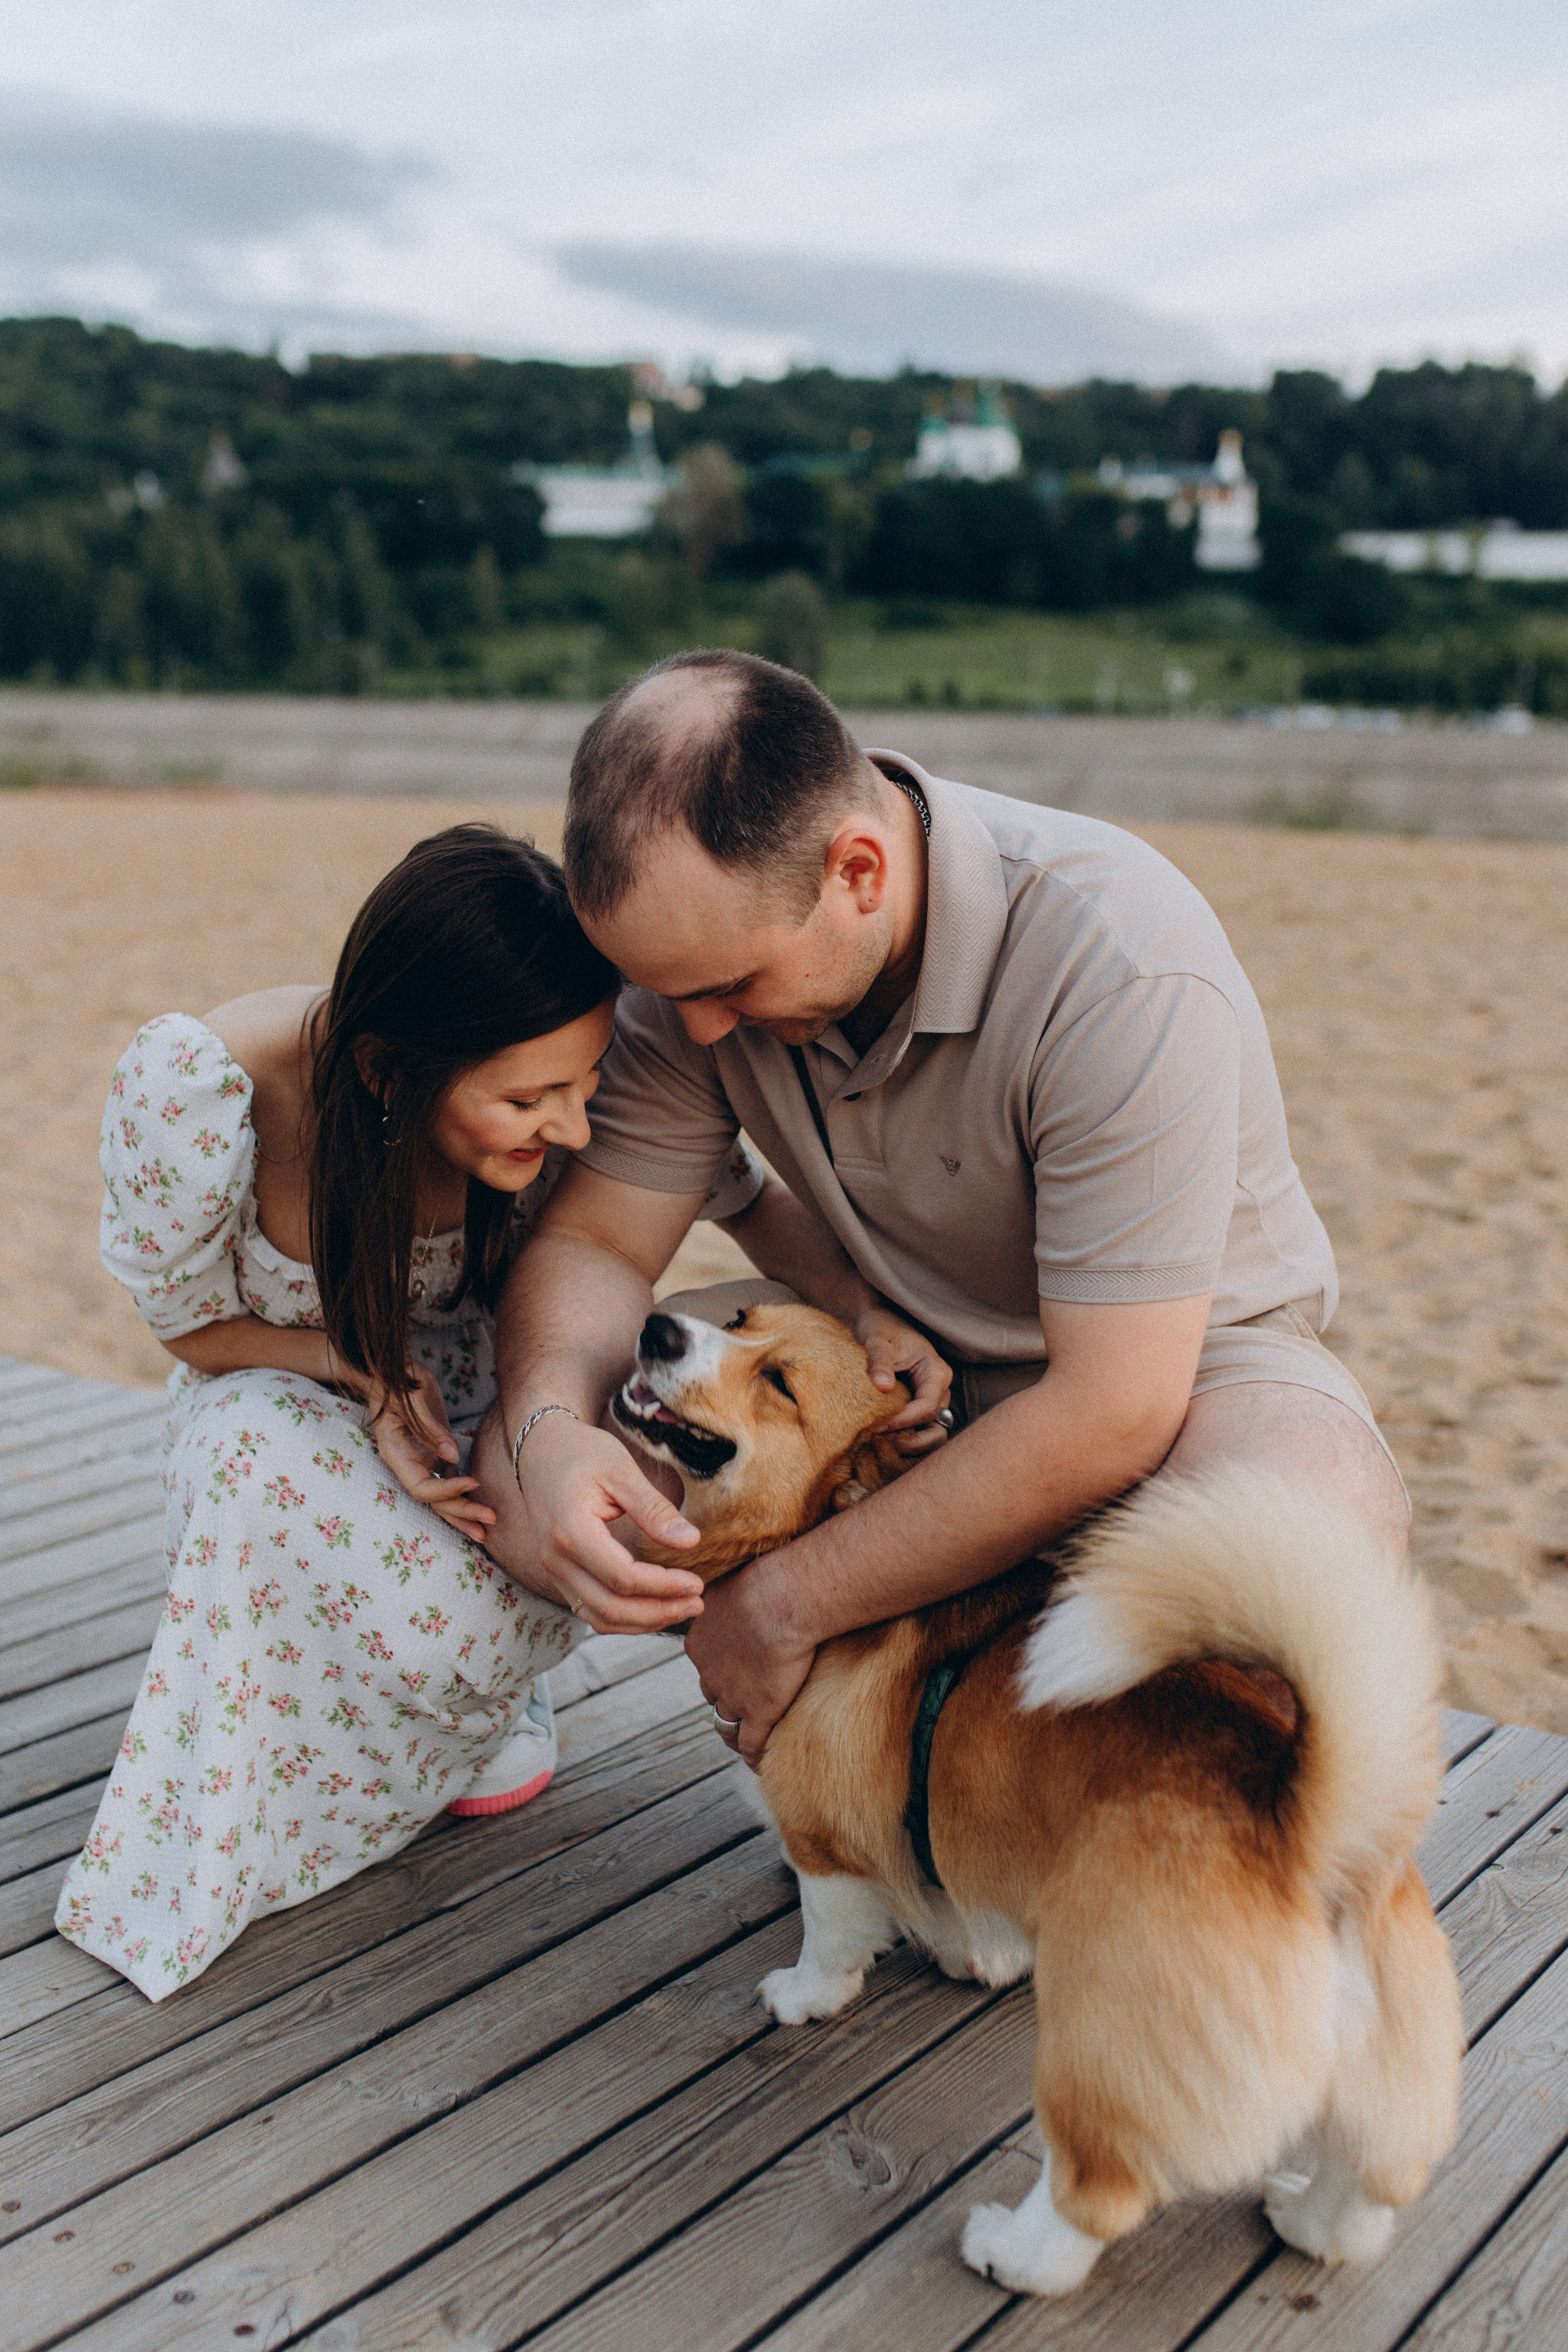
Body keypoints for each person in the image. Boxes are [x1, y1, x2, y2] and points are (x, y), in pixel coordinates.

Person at [473, 650, 1411, 1766]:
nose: (704, 1029)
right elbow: (593, 1241)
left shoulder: (1118, 961)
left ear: (858, 872)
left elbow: (1114, 1407)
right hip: (876, 1362)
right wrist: (547, 1441)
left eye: (731, 987)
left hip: (1177, 1378)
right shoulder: (695, 976)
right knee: (525, 1460)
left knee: (1311, 1536)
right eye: (674, 995)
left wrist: (786, 1605)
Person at [55, 824, 771, 2000]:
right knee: (255, 1466)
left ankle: (488, 1703)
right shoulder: (204, 1088)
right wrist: (364, 1374)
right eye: (534, 1099)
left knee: (631, 1466)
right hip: (281, 1381)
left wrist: (865, 1307)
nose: (574, 1130)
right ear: (390, 1072)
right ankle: (378, 1738)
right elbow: (182, 1327)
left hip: (484, 1389)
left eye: (585, 1087)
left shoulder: (560, 1075)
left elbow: (730, 1186)